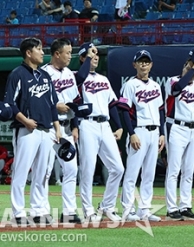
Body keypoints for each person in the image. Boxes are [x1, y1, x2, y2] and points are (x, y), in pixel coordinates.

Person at [4, 37, 62, 225]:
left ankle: (38, 210)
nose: (43, 52)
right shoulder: (17, 74)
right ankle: (18, 212)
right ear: (29, 53)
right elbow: (9, 103)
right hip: (26, 129)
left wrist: (57, 127)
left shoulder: (45, 76)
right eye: (39, 49)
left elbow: (53, 104)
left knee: (42, 173)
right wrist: (24, 120)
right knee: (21, 171)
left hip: (46, 130)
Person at [41, 38, 94, 224]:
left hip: (65, 127)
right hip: (47, 128)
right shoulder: (44, 73)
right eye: (67, 53)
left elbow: (74, 102)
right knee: (45, 171)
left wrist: (74, 125)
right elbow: (40, 102)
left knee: (71, 170)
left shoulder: (70, 75)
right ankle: (42, 210)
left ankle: (69, 211)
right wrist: (55, 107)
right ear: (57, 54)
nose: (70, 56)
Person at [76, 42, 124, 223]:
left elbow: (112, 104)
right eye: (91, 53)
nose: (96, 56)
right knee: (88, 168)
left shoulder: (103, 79)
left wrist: (118, 125)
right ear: (83, 58)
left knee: (118, 168)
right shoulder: (76, 76)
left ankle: (107, 206)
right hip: (87, 124)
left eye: (97, 53)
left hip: (104, 125)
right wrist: (87, 57)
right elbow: (80, 77)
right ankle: (87, 210)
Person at [119, 50, 165, 222]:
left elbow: (160, 111)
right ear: (135, 65)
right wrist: (131, 133)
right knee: (132, 172)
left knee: (149, 174)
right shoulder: (130, 85)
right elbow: (124, 111)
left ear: (151, 64)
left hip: (154, 132)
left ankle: (144, 210)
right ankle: (128, 210)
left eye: (147, 61)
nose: (144, 64)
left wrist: (161, 133)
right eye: (141, 61)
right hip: (139, 131)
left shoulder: (155, 85)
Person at [164, 47, 194, 221]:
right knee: (174, 170)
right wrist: (193, 68)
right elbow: (176, 90)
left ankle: (185, 206)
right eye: (189, 66)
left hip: (191, 129)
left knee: (188, 171)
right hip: (176, 127)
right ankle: (171, 208)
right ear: (185, 65)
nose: (192, 71)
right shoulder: (172, 81)